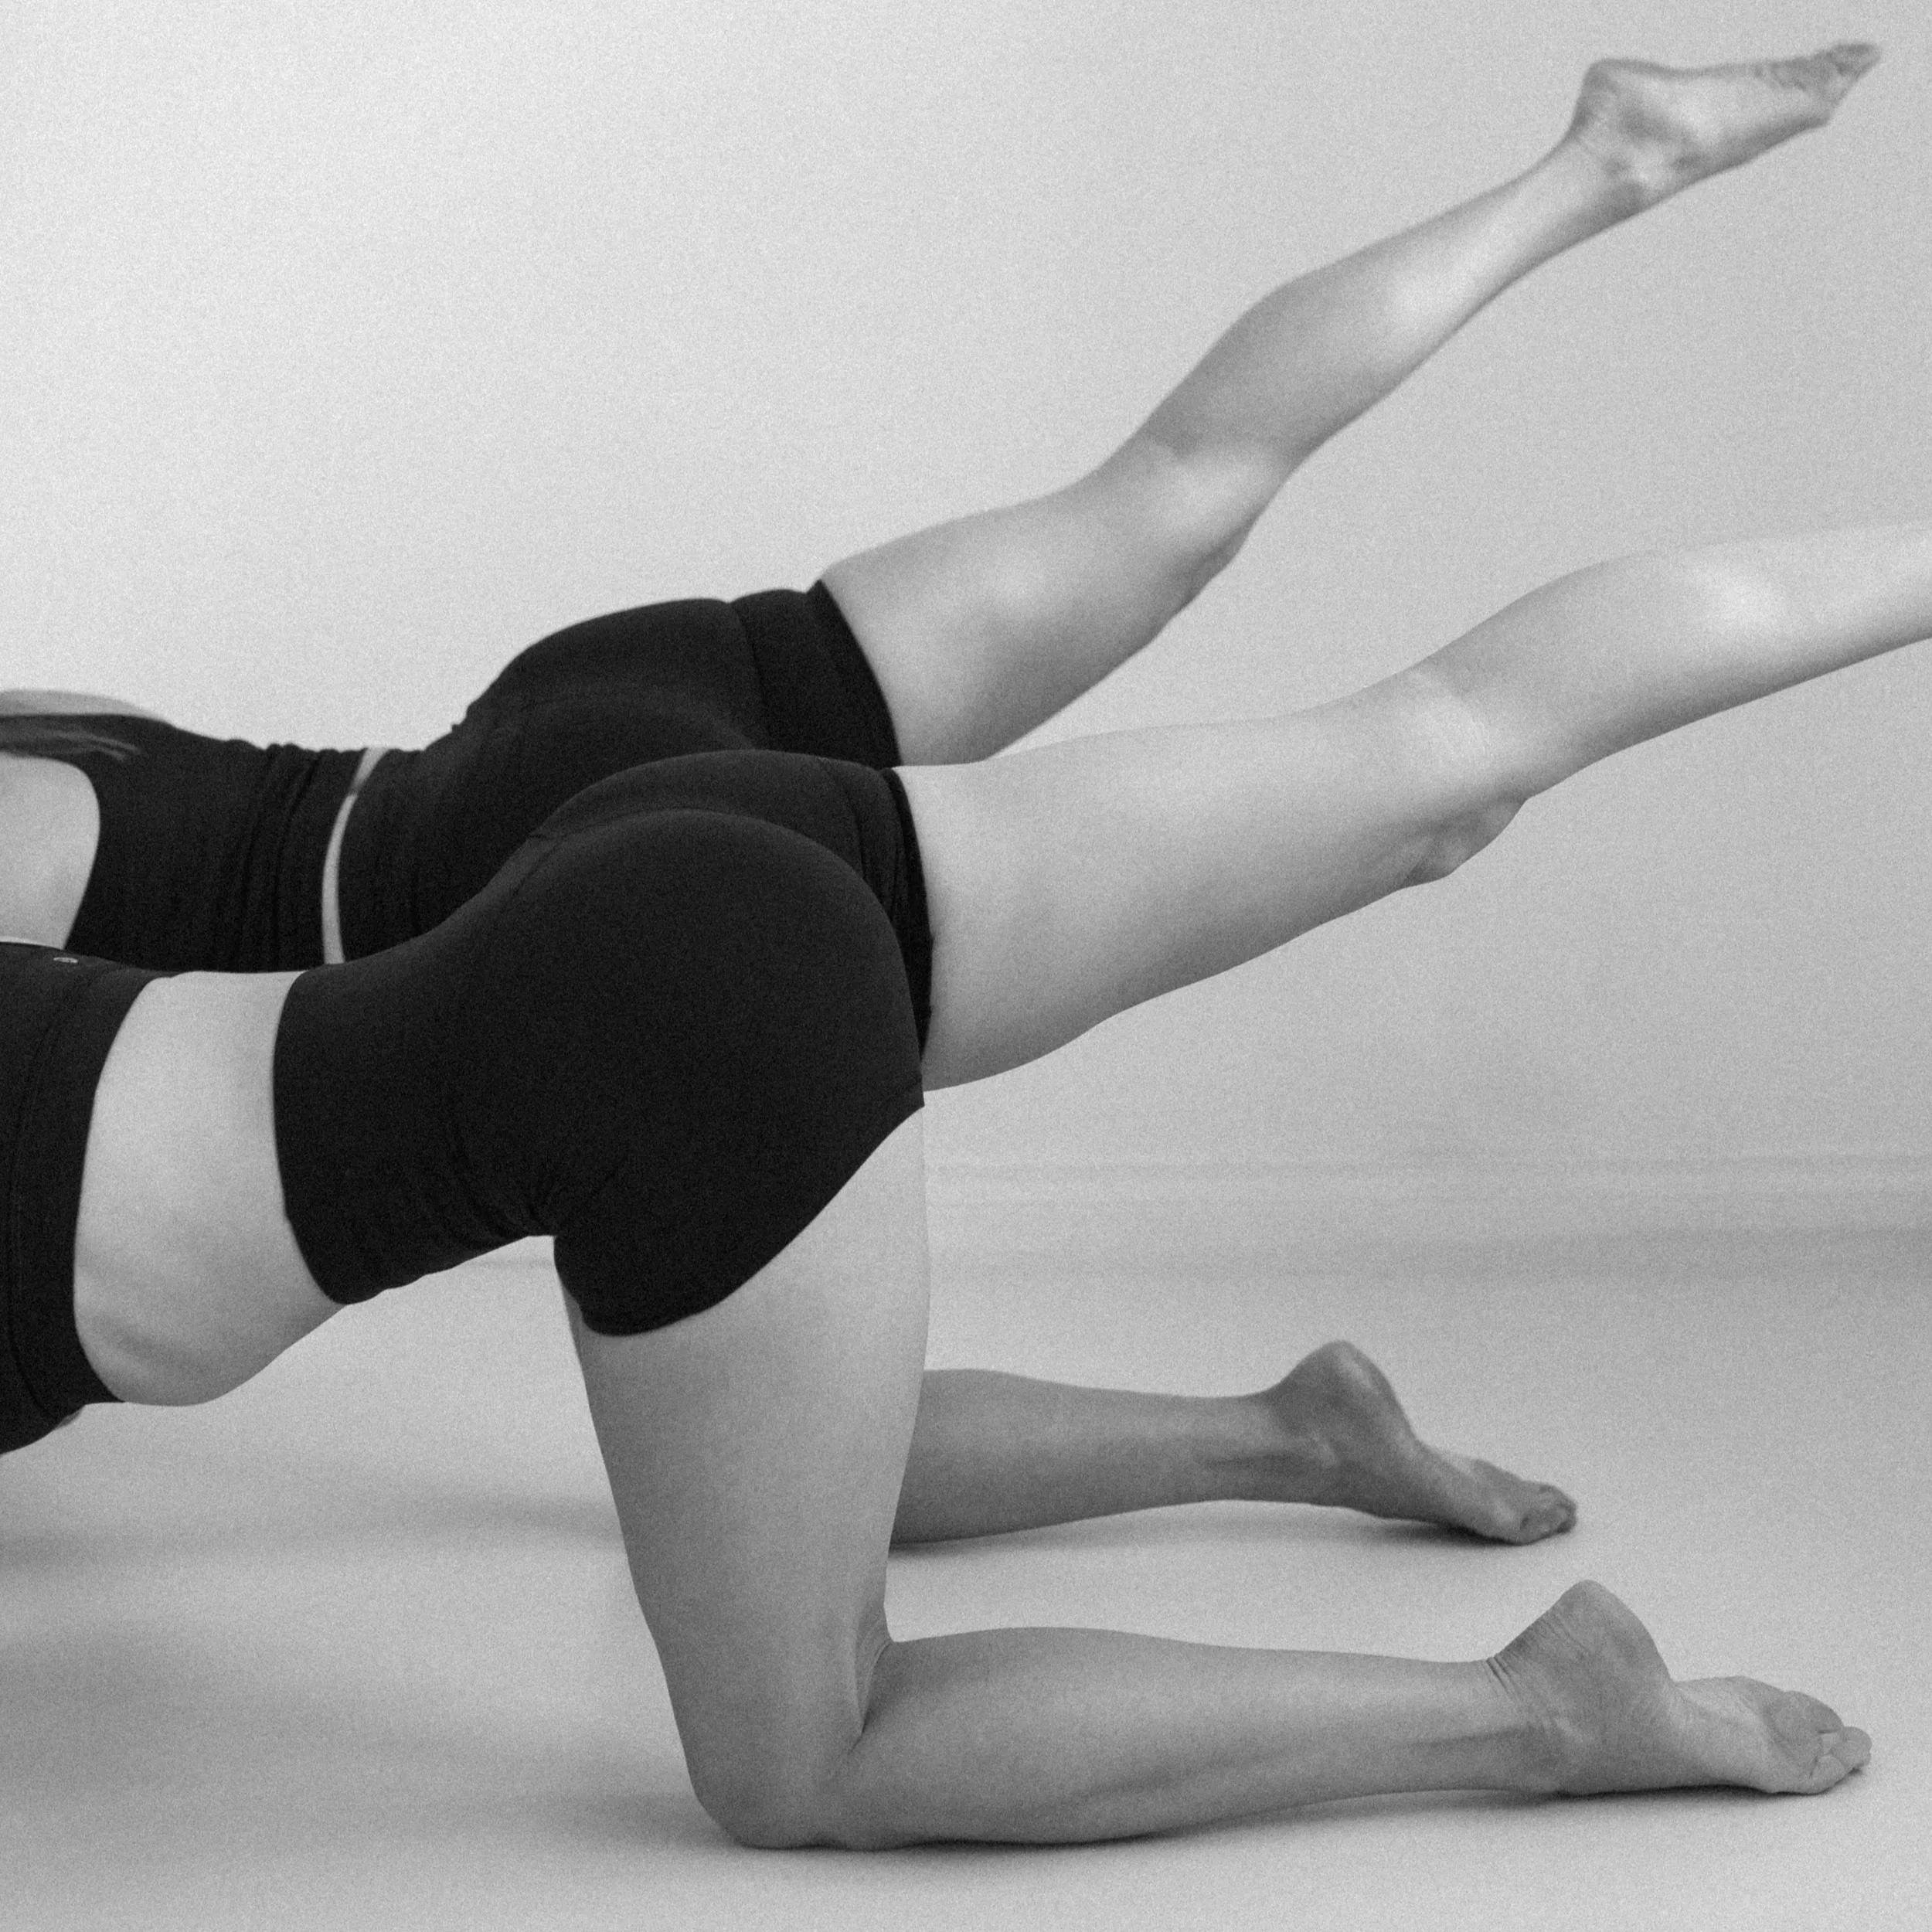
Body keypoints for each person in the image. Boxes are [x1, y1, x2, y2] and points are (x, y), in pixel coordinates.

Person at [0, 44, 1880, 1552]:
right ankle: (1593, 162)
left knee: (1446, 749)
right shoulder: (40, 732)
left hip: (559, 885)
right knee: (1172, 485)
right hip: (582, 707)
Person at [9, 498, 1916, 1840]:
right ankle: (1287, 1432)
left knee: (811, 1756)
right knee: (1443, 738)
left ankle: (1535, 1710)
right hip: (683, 836)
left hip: (654, 1017)